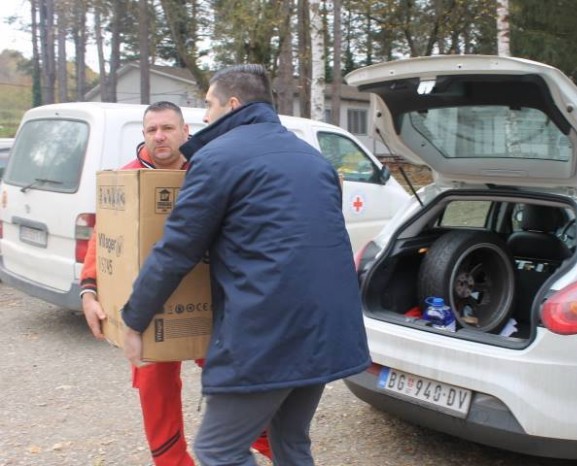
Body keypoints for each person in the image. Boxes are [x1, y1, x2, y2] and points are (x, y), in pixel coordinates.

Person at [119, 64, 371, 466]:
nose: (204, 117)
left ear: (232, 104)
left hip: (270, 334)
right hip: (330, 329)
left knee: (218, 449)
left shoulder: (218, 157)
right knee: (290, 441)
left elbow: (177, 249)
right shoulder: (313, 158)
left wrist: (134, 319)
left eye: (209, 105)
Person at [80, 101, 271, 465]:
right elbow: (104, 240)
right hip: (147, 307)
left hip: (209, 299)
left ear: (186, 131)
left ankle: (265, 442)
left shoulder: (210, 169)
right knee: (154, 386)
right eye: (151, 130)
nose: (159, 136)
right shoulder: (127, 178)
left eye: (167, 128)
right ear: (144, 135)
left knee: (235, 374)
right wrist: (89, 290)